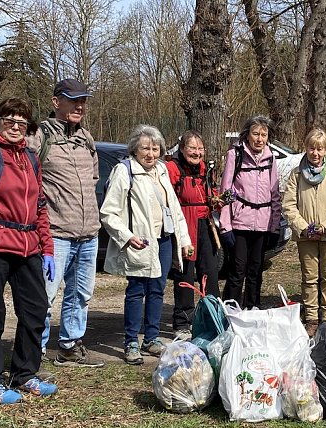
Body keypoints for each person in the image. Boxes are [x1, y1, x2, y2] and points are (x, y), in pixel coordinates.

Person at [0, 98, 58, 403]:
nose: (16, 127)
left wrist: (47, 248)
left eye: (22, 122)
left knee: (35, 311)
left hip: (28, 246)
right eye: (9, 120)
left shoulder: (31, 158)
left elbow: (40, 207)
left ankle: (25, 374)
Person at [100, 125, 192, 365]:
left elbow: (174, 208)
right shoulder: (124, 170)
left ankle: (151, 339)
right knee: (136, 290)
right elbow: (108, 213)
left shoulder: (161, 170)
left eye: (155, 148)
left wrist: (184, 240)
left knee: (157, 290)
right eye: (145, 148)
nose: (150, 153)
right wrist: (127, 236)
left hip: (163, 241)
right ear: (135, 149)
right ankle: (131, 341)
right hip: (139, 242)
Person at [28, 79, 103, 368]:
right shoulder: (39, 136)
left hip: (88, 234)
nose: (80, 106)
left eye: (83, 100)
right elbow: (26, 179)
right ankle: (35, 351)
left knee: (80, 295)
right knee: (45, 296)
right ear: (56, 102)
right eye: (73, 100)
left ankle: (70, 347)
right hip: (55, 234)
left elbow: (93, 179)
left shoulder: (86, 138)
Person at [282, 128, 326, 337]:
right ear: (306, 148)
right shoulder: (296, 173)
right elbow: (289, 205)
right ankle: (312, 317)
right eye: (312, 148)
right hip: (306, 236)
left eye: (320, 149)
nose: (315, 153)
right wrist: (303, 228)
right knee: (309, 277)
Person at [219, 116, 281, 309]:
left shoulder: (270, 157)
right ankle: (230, 310)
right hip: (240, 222)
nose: (259, 139)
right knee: (237, 270)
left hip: (263, 224)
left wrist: (275, 226)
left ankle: (252, 308)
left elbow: (275, 194)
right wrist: (225, 226)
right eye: (256, 134)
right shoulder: (235, 155)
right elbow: (225, 192)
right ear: (247, 134)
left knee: (255, 270)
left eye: (264, 134)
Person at [167, 130, 220, 340]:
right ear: (182, 149)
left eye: (200, 149)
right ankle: (182, 323)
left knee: (210, 273)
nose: (197, 153)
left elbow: (211, 192)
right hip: (184, 224)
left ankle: (213, 317)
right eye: (192, 148)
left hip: (205, 223)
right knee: (185, 274)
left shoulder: (205, 169)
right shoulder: (173, 168)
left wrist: (217, 200)